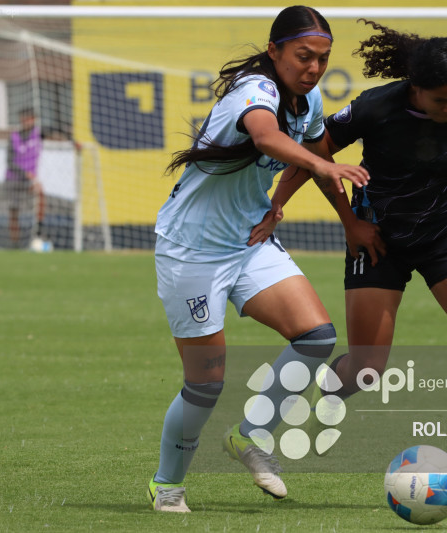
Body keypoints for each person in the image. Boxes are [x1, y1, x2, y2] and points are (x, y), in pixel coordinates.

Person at [271, 20, 447, 498]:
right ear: (416, 89)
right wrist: (332, 218)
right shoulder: (376, 106)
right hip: (378, 239)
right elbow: (314, 155)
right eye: (441, 100)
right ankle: (322, 392)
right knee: (367, 367)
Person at [149, 5, 369, 513]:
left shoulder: (306, 100)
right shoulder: (255, 89)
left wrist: (346, 220)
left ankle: (249, 435)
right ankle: (168, 485)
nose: (313, 68)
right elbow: (268, 138)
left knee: (316, 338)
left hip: (248, 240)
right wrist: (324, 161)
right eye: (303, 56)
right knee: (205, 383)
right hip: (192, 249)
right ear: (275, 51)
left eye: (322, 59)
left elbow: (312, 164)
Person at [5, 107, 47, 249]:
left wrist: (73, 141)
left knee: (40, 194)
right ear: (21, 119)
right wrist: (24, 173)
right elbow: (9, 162)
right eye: (25, 118)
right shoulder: (14, 137)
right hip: (13, 179)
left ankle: (39, 231)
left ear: (34, 119)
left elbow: (58, 130)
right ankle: (14, 243)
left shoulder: (39, 134)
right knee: (14, 211)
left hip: (30, 180)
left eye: (30, 118)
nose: (27, 121)